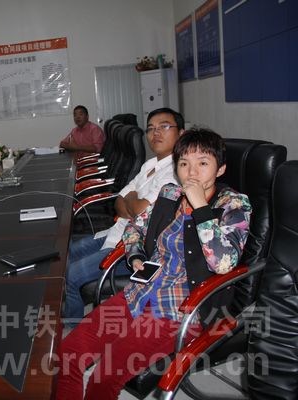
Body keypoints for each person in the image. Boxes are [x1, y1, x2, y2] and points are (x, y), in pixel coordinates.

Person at [56, 128, 252, 400]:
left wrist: (201, 208)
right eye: (184, 164)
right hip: (140, 292)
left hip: (182, 309)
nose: (192, 173)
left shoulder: (234, 204)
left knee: (105, 375)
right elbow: (134, 227)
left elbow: (223, 263)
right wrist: (135, 254)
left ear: (220, 169)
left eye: (203, 163)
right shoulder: (170, 194)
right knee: (68, 355)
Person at [64, 108, 185, 325]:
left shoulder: (178, 172)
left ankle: (72, 328)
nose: (156, 133)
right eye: (151, 129)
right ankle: (69, 308)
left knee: (72, 275)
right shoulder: (150, 164)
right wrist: (132, 201)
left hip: (136, 249)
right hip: (117, 231)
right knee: (68, 252)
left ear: (181, 133)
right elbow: (119, 204)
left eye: (164, 126)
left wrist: (131, 200)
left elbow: (138, 211)